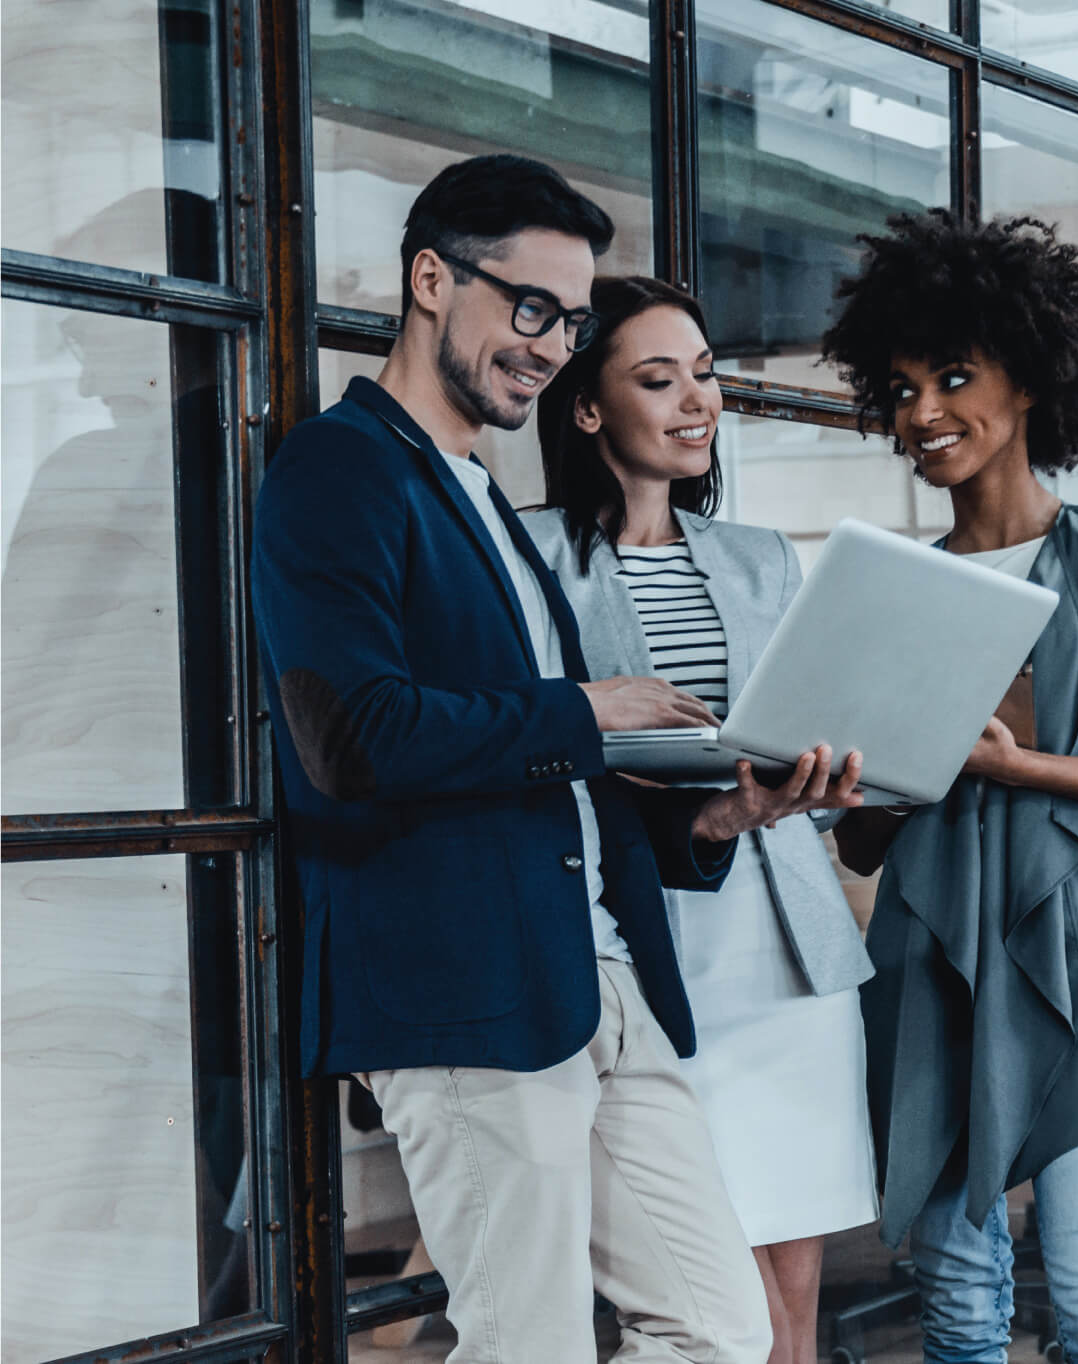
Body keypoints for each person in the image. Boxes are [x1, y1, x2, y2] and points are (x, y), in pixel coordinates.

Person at [251, 153, 867, 1364]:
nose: (547, 342)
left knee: (714, 1324)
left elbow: (551, 781)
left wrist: (717, 822)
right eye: (528, 306)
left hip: (599, 974)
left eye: (571, 319)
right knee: (524, 1340)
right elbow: (350, 738)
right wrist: (584, 710)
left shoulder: (477, 493)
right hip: (466, 987)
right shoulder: (340, 469)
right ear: (431, 279)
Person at [822, 210, 1078, 1363]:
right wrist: (869, 786)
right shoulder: (899, 586)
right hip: (933, 970)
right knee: (957, 1312)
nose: (923, 413)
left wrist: (1017, 765)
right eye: (901, 388)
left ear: (1031, 380)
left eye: (953, 377)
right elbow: (866, 850)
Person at [525, 276, 879, 1364]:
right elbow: (543, 748)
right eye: (658, 377)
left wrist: (829, 767)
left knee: (791, 1307)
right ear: (588, 407)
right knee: (693, 1297)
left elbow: (799, 711)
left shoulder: (762, 555)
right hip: (649, 946)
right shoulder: (532, 553)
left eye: (707, 373)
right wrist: (716, 806)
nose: (698, 400)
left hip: (790, 958)